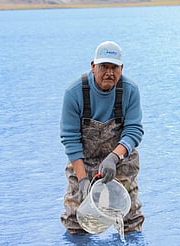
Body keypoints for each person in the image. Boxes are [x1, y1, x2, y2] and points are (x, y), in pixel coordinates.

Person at [60, 41, 144, 234]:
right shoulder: (74, 93)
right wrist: (82, 180)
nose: (109, 73)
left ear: (121, 68)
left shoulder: (130, 90)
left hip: (121, 159)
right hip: (84, 159)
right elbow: (70, 139)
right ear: (93, 66)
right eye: (104, 67)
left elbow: (134, 131)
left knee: (130, 216)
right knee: (75, 218)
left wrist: (113, 158)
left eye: (114, 67)